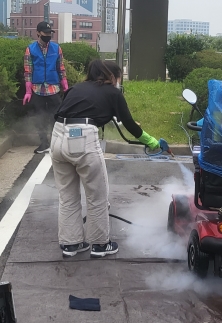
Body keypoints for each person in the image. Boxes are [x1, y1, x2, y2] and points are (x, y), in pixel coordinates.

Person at [51, 59, 164, 258]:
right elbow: (128, 123)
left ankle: (71, 244)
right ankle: (100, 245)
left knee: (67, 196)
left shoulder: (75, 89)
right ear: (111, 76)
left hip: (57, 136)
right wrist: (151, 141)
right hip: (83, 138)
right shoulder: (113, 92)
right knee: (97, 196)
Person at [22, 21, 69, 154]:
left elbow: (61, 68)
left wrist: (65, 87)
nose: (48, 35)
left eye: (50, 33)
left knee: (57, 115)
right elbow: (28, 71)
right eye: (45, 33)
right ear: (38, 33)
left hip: (53, 87)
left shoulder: (56, 48)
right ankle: (44, 143)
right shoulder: (30, 49)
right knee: (39, 117)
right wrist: (28, 91)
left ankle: (56, 142)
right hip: (37, 88)